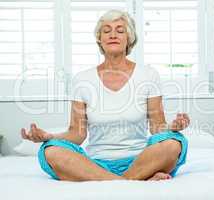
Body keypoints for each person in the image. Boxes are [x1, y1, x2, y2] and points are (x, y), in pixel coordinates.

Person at [20, 10, 190, 181]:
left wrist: (173, 127)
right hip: (95, 165)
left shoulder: (148, 75)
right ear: (99, 39)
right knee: (50, 150)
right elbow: (77, 134)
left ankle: (118, 179)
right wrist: (49, 136)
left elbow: (156, 128)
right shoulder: (82, 79)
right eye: (106, 31)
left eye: (120, 30)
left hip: (142, 160)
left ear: (129, 39)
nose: (113, 35)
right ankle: (134, 180)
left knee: (174, 142)